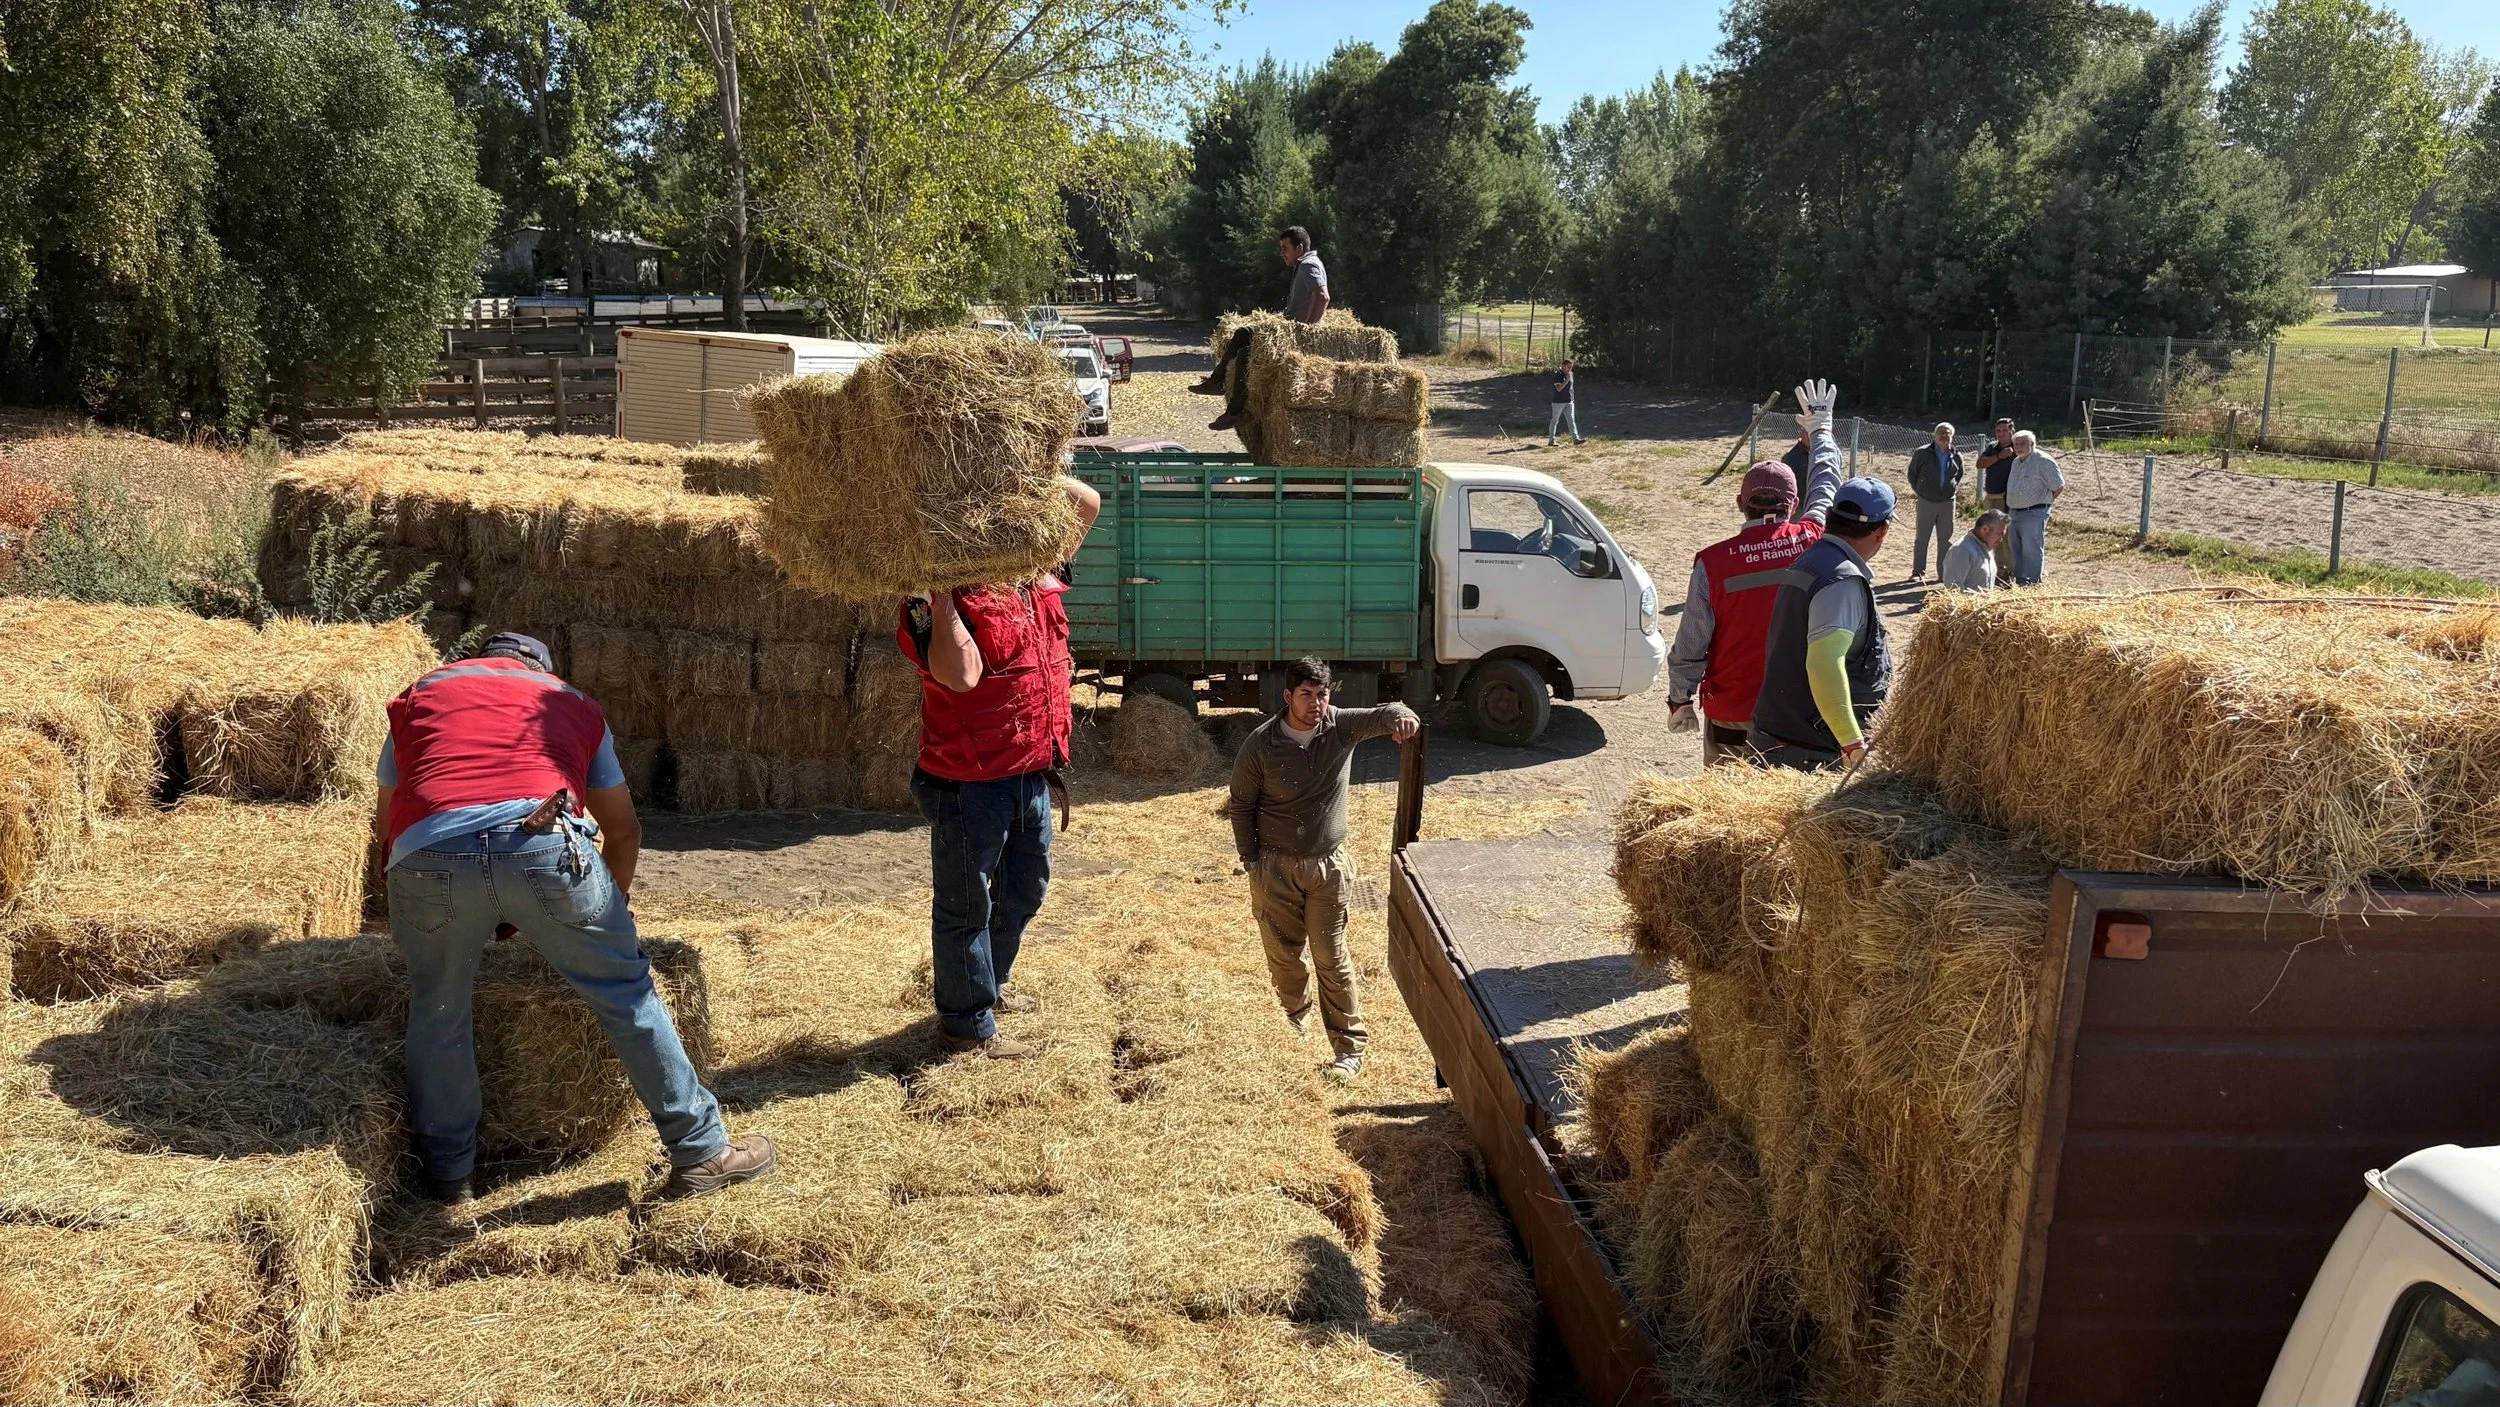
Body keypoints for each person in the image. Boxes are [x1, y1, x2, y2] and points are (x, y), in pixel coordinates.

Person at [376, 633, 774, 1205]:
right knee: (626, 992)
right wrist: (600, 918)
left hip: (429, 858)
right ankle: (701, 1151)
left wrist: (461, 900)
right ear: (539, 669)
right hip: (543, 843)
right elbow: (625, 830)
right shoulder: (569, 700)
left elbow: (389, 823)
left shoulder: (423, 695)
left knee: (438, 1009)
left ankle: (448, 1176)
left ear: (477, 661)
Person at [901, 476, 1103, 1061]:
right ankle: (964, 1026)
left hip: (1030, 772)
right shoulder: (933, 595)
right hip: (969, 780)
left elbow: (1086, 502)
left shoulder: (1038, 570)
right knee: (967, 905)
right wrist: (941, 591)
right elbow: (959, 676)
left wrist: (1019, 464)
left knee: (1026, 889)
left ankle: (988, 989)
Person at [1226, 658, 1418, 1083]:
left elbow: (1386, 714)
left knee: (1331, 956)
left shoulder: (1340, 727)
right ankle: (1294, 1020)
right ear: (1288, 696)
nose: (1315, 704)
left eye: (1323, 694)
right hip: (1275, 866)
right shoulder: (1261, 745)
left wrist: (1403, 717)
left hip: (1328, 867)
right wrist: (1252, 862)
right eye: (1306, 695)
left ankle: (1349, 1048)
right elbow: (1240, 806)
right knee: (1283, 955)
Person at [1666, 379, 1845, 766]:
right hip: (1797, 712)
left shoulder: (1712, 563)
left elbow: (1691, 643)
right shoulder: (1813, 539)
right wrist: (1822, 430)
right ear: (1793, 503)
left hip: (1732, 711)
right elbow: (1828, 486)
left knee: (1725, 815)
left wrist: (1679, 698)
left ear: (1739, 503)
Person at [1749, 478, 1897, 772]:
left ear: (1829, 517)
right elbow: (1824, 664)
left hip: (1783, 737)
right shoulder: (1841, 580)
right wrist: (1852, 743)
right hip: (1812, 753)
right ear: (1881, 532)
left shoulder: (1811, 561)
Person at [1194, 226, 1329, 432]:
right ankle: (1217, 380)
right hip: (1285, 329)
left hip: (1293, 335)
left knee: (1246, 355)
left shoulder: (1308, 264)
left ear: (1299, 247)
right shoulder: (1304, 265)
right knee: (1243, 333)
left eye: (1285, 248)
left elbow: (1322, 296)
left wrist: (1309, 329)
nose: (1281, 253)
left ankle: (1236, 412)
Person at [2003, 430, 2065, 586]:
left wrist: (2043, 503)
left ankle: (2033, 583)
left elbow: (2058, 486)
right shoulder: (2016, 462)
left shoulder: (2043, 461)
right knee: (2016, 548)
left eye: (2023, 443)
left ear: (2032, 444)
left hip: (2034, 512)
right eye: (2016, 444)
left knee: (2031, 549)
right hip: (2014, 512)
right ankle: (2021, 581)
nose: (2019, 447)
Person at [1905, 422, 1963, 584]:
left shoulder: (1957, 456)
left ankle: (1942, 573)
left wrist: (1948, 490)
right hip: (1926, 502)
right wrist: (1921, 490)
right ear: (1935, 436)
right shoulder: (1922, 453)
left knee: (1945, 539)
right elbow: (1912, 474)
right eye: (1941, 433)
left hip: (1947, 503)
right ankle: (1918, 572)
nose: (1944, 436)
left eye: (1947, 433)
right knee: (1922, 538)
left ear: (1953, 436)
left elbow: (1958, 476)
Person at [1975, 417, 2019, 584]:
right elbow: (1980, 464)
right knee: (1989, 534)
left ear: (2012, 431)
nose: (2001, 434)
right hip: (1992, 498)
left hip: (2007, 499)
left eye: (2005, 431)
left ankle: (2006, 572)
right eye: (1998, 431)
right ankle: (1996, 570)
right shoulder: (1993, 448)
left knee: (2004, 536)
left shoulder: (2018, 447)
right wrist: (1999, 457)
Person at [1939, 509, 2009, 592]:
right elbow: (1953, 588)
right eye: (1999, 534)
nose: (2001, 539)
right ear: (1985, 529)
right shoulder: (1962, 550)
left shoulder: (1988, 548)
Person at [1548, 359, 1583, 446]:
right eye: (1568, 367)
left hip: (1569, 401)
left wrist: (1573, 399)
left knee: (1571, 420)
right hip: (1558, 402)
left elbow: (1571, 387)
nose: (1570, 369)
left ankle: (1576, 439)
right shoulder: (1557, 375)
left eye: (1571, 367)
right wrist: (1566, 380)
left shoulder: (1570, 374)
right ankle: (1551, 440)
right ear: (1563, 366)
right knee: (1555, 420)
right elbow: (1559, 388)